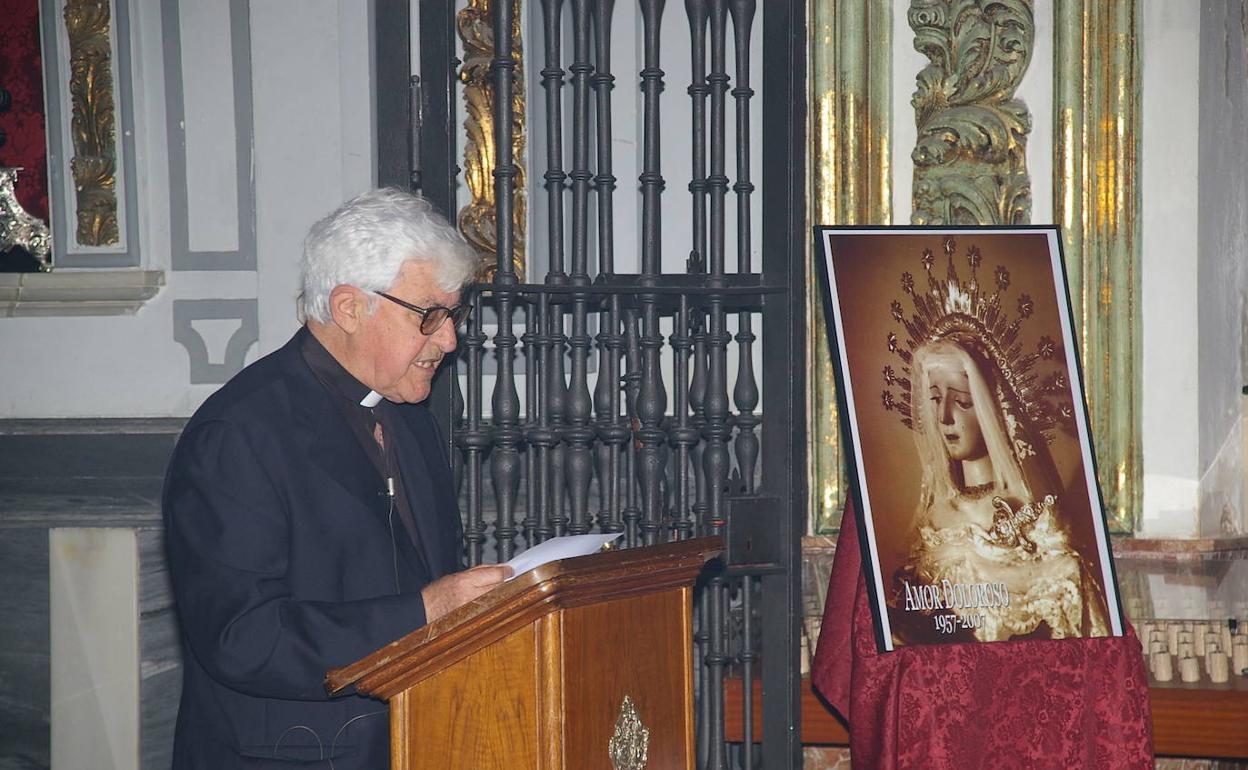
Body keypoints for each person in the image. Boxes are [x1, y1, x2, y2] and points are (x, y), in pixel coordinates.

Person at [163, 189, 511, 769]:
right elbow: (242, 637)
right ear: (349, 307)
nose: (449, 340)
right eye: (429, 315)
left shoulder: (408, 415)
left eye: (453, 315)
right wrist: (422, 612)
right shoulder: (240, 433)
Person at [888, 332, 1110, 645]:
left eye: (963, 402)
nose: (944, 417)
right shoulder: (935, 516)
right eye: (935, 400)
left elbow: (1066, 599)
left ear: (993, 408)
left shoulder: (1030, 517)